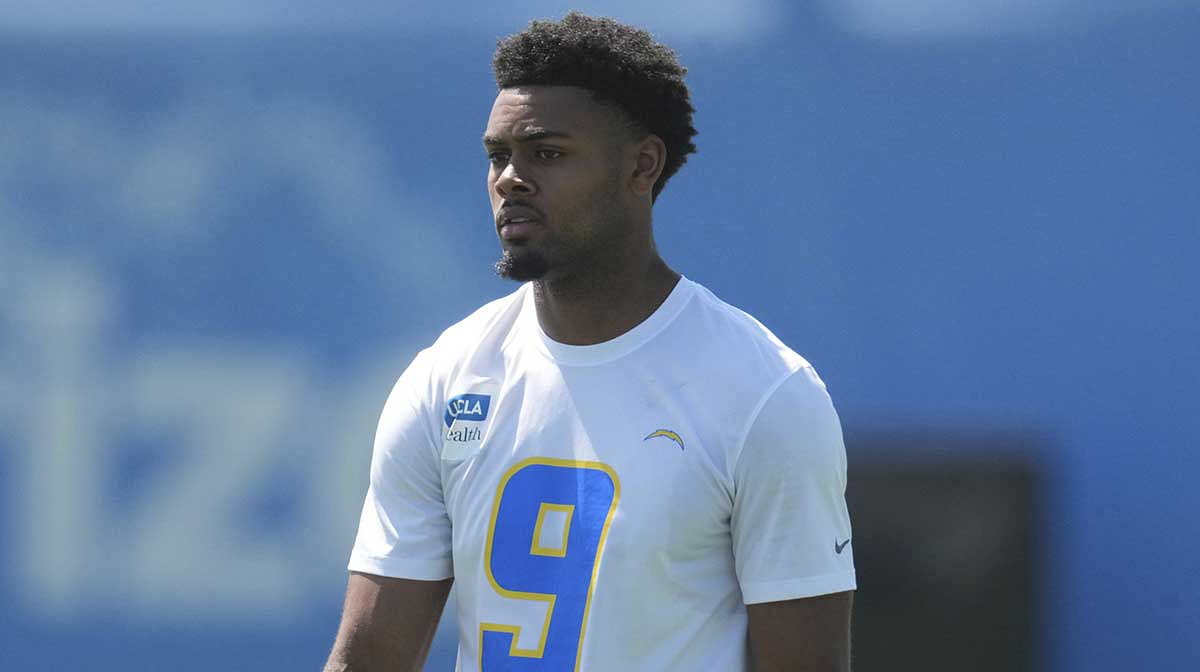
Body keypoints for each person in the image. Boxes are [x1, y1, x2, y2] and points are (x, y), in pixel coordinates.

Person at [325, 12, 855, 672]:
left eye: (547, 153)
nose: (509, 179)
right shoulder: (446, 380)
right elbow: (369, 657)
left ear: (642, 165)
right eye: (497, 156)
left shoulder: (765, 394)